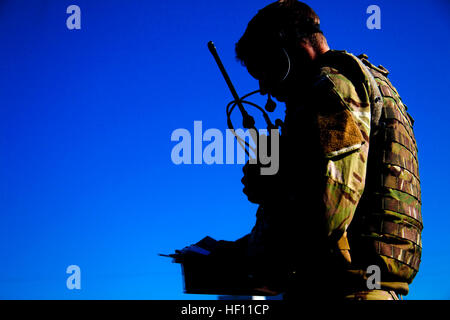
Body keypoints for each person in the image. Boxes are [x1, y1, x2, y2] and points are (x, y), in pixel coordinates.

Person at [231, 0, 423, 300]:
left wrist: (273, 185)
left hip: (342, 290)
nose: (264, 86)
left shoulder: (331, 89)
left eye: (264, 68)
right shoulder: (361, 84)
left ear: (288, 50)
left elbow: (327, 213)